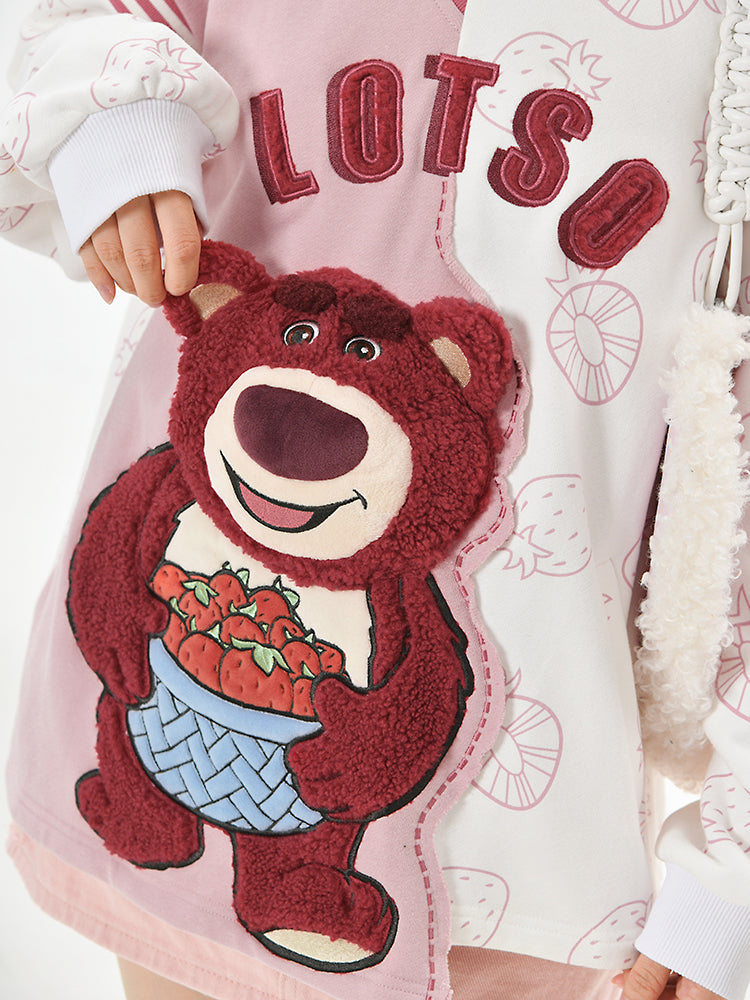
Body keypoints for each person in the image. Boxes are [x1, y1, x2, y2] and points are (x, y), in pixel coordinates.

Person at [1, 1, 749, 999]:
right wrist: (108, 124)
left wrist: (732, 887)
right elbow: (66, 26)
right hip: (155, 739)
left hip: (512, 863)